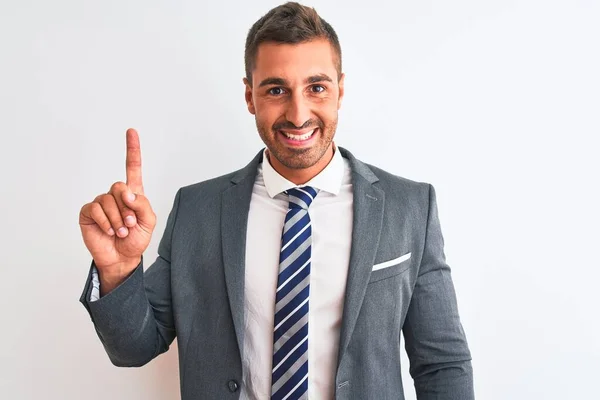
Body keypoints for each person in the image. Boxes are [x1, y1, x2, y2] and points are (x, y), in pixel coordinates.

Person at [78, 2, 474, 399]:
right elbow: (134, 348)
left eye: (316, 87)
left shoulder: (409, 207)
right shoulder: (196, 210)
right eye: (276, 90)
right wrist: (119, 272)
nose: (298, 114)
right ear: (250, 96)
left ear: (340, 90)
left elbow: (441, 364)